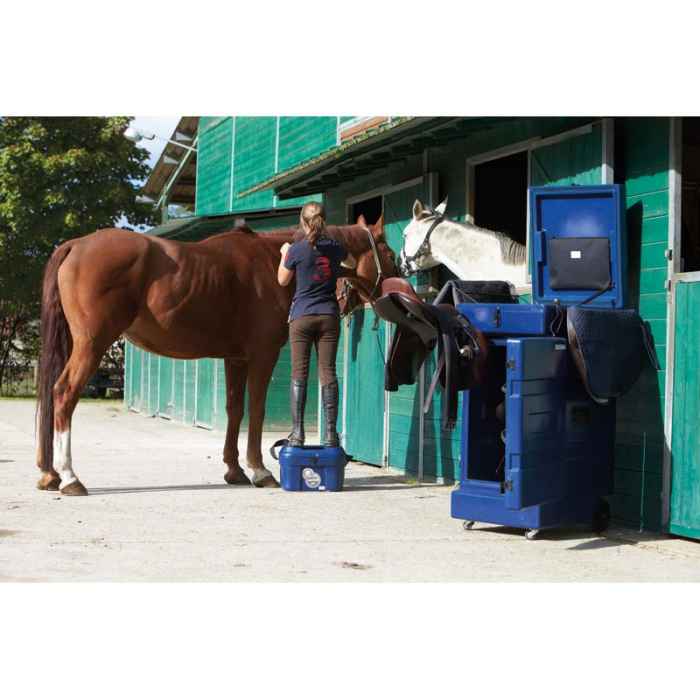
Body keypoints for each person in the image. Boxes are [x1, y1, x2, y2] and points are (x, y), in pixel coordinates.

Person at [278, 201, 355, 447]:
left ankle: (298, 434)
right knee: (328, 372)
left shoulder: (296, 250)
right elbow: (352, 263)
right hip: (328, 316)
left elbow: (282, 280)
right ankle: (331, 435)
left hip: (301, 316)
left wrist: (283, 254)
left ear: (303, 221)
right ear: (324, 221)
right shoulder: (334, 247)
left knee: (299, 373)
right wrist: (336, 256)